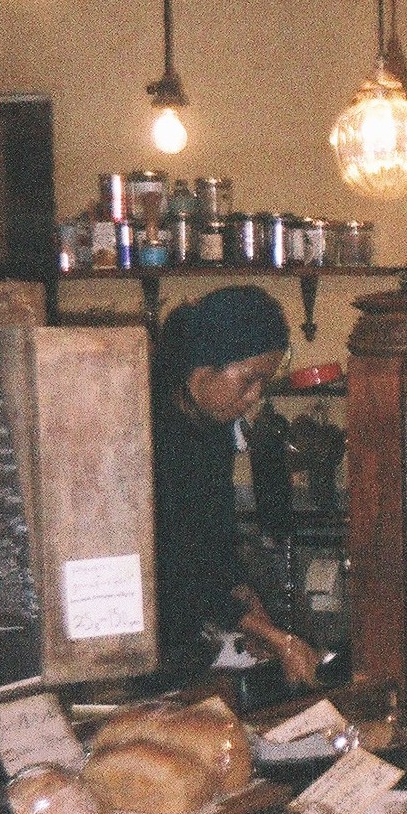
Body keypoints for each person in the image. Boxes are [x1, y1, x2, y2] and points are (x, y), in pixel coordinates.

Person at [152, 285, 322, 689]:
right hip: (142, 640)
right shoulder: (154, 433)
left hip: (185, 638)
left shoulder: (212, 429)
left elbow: (216, 535)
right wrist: (272, 635)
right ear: (202, 369)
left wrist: (249, 603)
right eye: (248, 380)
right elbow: (175, 561)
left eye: (263, 383)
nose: (254, 397)